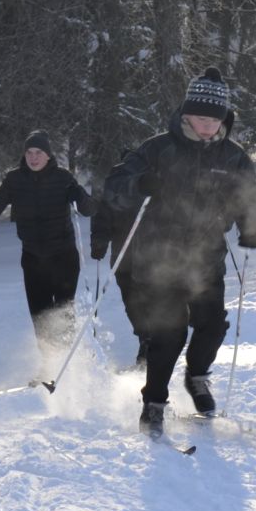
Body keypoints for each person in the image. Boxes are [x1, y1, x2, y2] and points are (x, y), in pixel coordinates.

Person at [104, 69, 256, 433]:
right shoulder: (157, 149)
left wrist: (253, 225)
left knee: (212, 326)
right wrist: (138, 184)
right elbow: (115, 185)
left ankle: (196, 377)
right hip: (159, 259)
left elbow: (253, 196)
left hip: (206, 259)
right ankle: (154, 402)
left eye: (215, 119)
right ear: (185, 115)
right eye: (201, 118)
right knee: (168, 333)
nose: (208, 126)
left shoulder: (232, 157)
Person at [0, 131, 94, 352]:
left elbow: (88, 209)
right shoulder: (15, 179)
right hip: (32, 257)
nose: (33, 157)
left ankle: (66, 365)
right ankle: (48, 365)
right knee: (40, 314)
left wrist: (78, 195)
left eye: (38, 152)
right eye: (29, 152)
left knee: (62, 311)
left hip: (63, 256)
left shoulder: (63, 177)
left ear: (48, 155)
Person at [90, 146, 150, 369]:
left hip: (152, 253)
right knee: (133, 301)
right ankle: (145, 340)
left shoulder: (156, 179)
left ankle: (150, 345)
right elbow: (103, 213)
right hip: (124, 253)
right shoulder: (115, 180)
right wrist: (99, 241)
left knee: (145, 301)